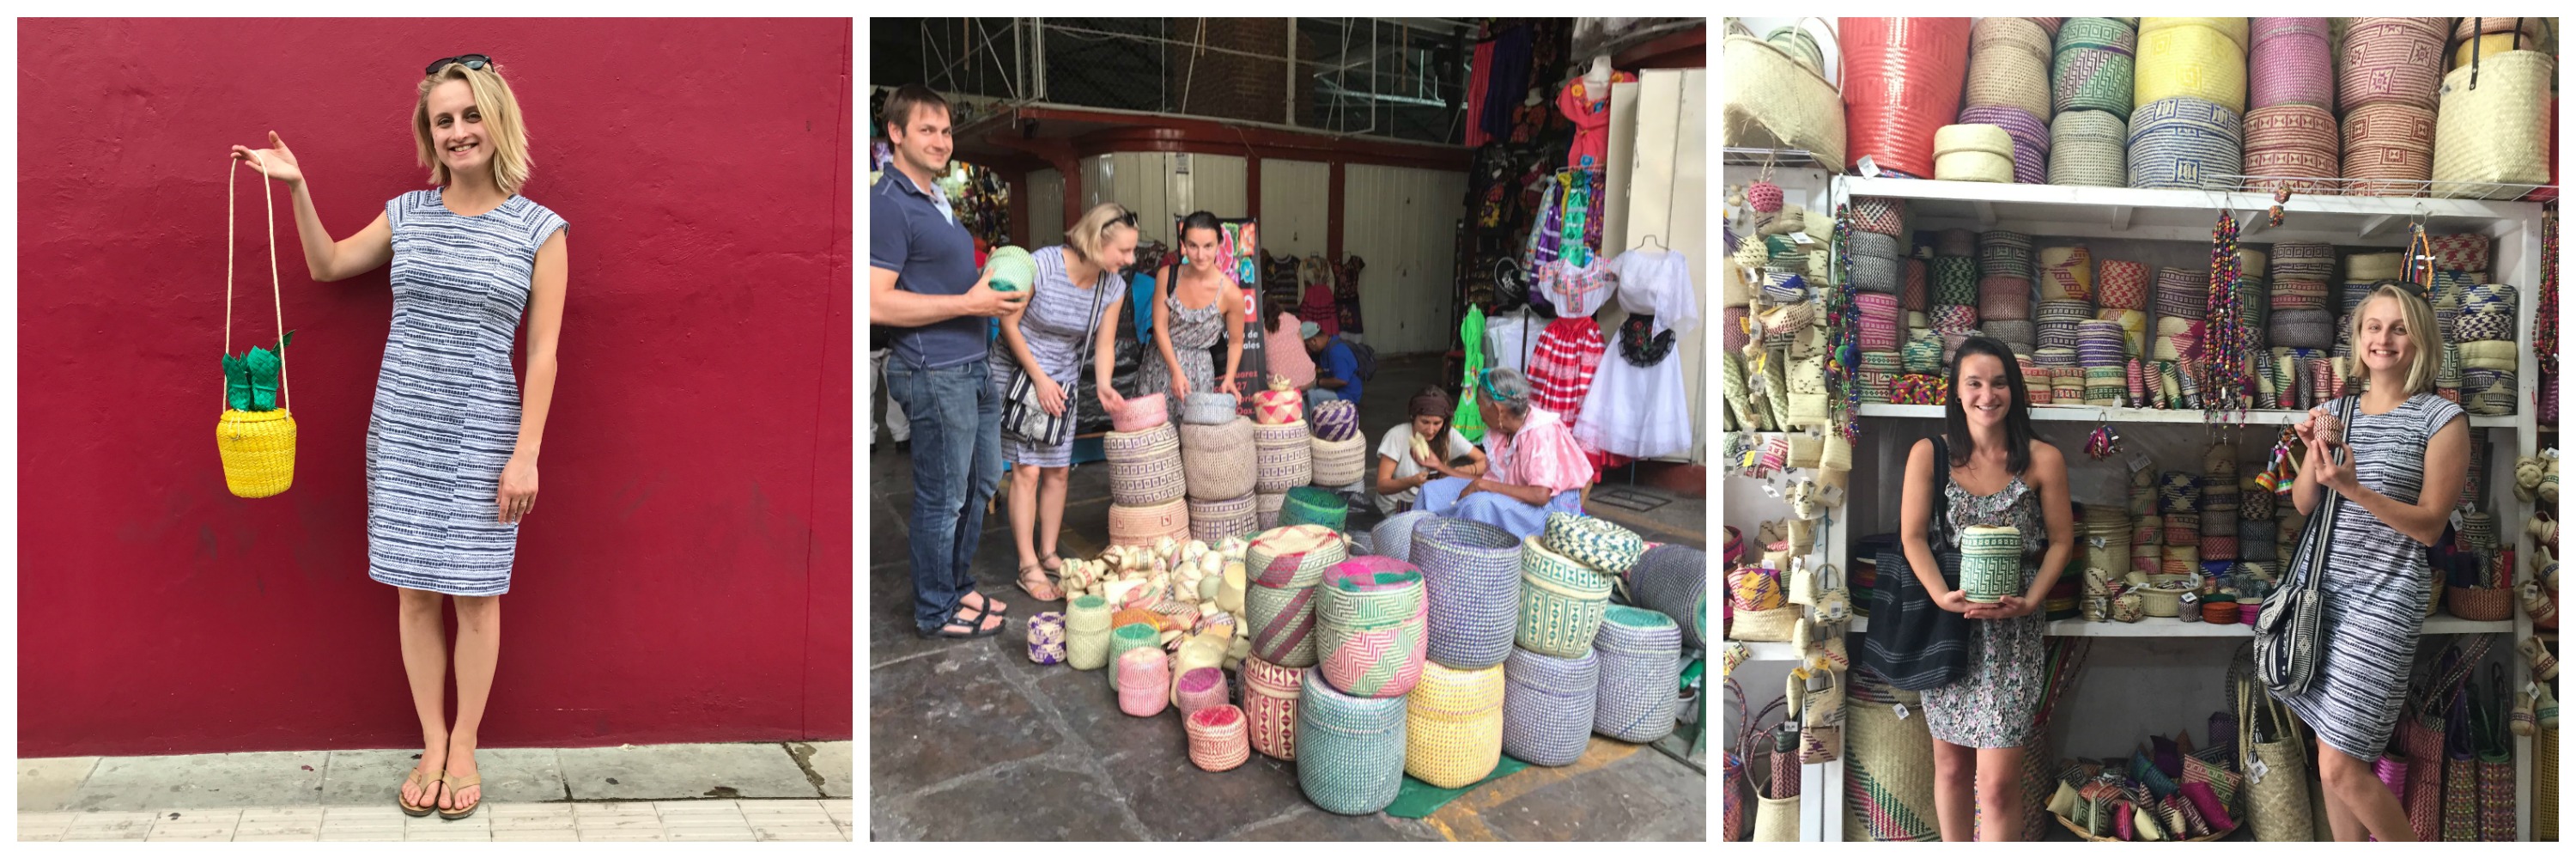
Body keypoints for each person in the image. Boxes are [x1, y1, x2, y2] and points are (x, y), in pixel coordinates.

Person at [229, 54, 569, 820]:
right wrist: (297, 189)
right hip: (403, 430)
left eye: (469, 115)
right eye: (443, 120)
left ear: (497, 120)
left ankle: (467, 744)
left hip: (487, 434)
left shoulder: (540, 230)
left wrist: (527, 454)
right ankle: (432, 740)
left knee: (477, 596)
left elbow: (544, 351)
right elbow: (327, 266)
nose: (457, 131)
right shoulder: (408, 215)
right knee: (416, 594)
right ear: (430, 134)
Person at [2278, 281, 2465, 842]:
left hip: (2384, 601)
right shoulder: (2337, 409)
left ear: (2421, 340)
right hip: (2324, 597)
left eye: (2400, 327)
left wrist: (2356, 489)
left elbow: (2431, 523)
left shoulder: (2442, 420)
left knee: (2343, 765)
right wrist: (2312, 451)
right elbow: (2306, 504)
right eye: (2374, 327)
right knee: (2328, 756)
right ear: (2358, 339)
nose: (2384, 339)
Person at [1893, 335, 2074, 842]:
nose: (1986, 395)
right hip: (1948, 632)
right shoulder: (1929, 455)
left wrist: (2032, 599)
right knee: (1950, 768)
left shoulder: (2043, 460)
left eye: (1998, 383)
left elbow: (2061, 541)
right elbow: (1911, 537)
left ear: (2014, 390)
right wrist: (1938, 595)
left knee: (1996, 785)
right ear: (1955, 391)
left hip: (2013, 639)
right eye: (1974, 383)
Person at [869, 84, 1026, 642]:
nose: (940, 141)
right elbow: (874, 301)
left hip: (972, 363)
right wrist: (969, 302)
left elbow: (939, 279)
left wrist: (992, 291)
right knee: (944, 495)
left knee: (983, 481)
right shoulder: (887, 204)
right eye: (926, 130)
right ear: (896, 134)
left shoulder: (935, 197)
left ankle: (957, 584)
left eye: (945, 130)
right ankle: (935, 607)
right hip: (934, 370)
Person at [994, 203, 1140, 601]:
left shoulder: (1112, 285)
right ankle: (1027, 564)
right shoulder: (1043, 266)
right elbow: (1008, 322)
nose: (1129, 260)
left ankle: (1048, 551)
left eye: (1132, 251)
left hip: (1064, 379)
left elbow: (1105, 343)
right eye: (1123, 251)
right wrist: (1039, 378)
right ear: (1096, 240)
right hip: (1021, 373)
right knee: (1027, 471)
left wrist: (1106, 385)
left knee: (1058, 470)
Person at [1413, 368, 1590, 538]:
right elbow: (1490, 478)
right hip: (1509, 494)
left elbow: (1540, 495)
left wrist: (1482, 486)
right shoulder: (1502, 430)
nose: (1479, 413)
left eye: (1480, 405)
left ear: (1498, 409)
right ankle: (1412, 555)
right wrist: (1441, 467)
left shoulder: (1539, 432)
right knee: (1432, 490)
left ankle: (1461, 561)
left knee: (1477, 505)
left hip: (1546, 513)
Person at [1137, 210, 1245, 422]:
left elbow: (1236, 341)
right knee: (1152, 440)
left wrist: (1229, 378)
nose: (1200, 255)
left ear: (1219, 244)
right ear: (1183, 244)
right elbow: (1159, 328)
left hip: (1200, 374)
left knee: (1194, 441)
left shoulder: (1231, 294)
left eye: (1208, 246)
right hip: (1160, 365)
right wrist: (1175, 370)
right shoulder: (1167, 276)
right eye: (1193, 246)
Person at [1372, 387, 1487, 515]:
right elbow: (1382, 485)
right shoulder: (1396, 436)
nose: (1431, 429)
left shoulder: (1448, 435)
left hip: (1432, 502)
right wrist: (1411, 481)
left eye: (1437, 423)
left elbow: (1486, 462)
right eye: (1425, 422)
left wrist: (1466, 470)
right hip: (1396, 508)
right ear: (1413, 417)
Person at [1303, 321, 1363, 410]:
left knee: (1311, 395)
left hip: (1347, 395)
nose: (1309, 349)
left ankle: (1308, 423)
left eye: (1308, 346)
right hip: (1337, 390)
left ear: (1313, 341)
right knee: (1305, 391)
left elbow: (1342, 380)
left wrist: (1318, 382)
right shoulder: (1327, 345)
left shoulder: (1337, 351)